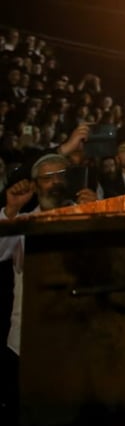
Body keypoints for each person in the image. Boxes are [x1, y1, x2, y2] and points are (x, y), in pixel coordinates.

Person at [0, 153, 99, 410]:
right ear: (34, 185)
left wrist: (96, 212)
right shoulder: (22, 222)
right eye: (47, 177)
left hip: (76, 338)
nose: (55, 182)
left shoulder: (86, 215)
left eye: (61, 176)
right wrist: (10, 209)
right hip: (26, 341)